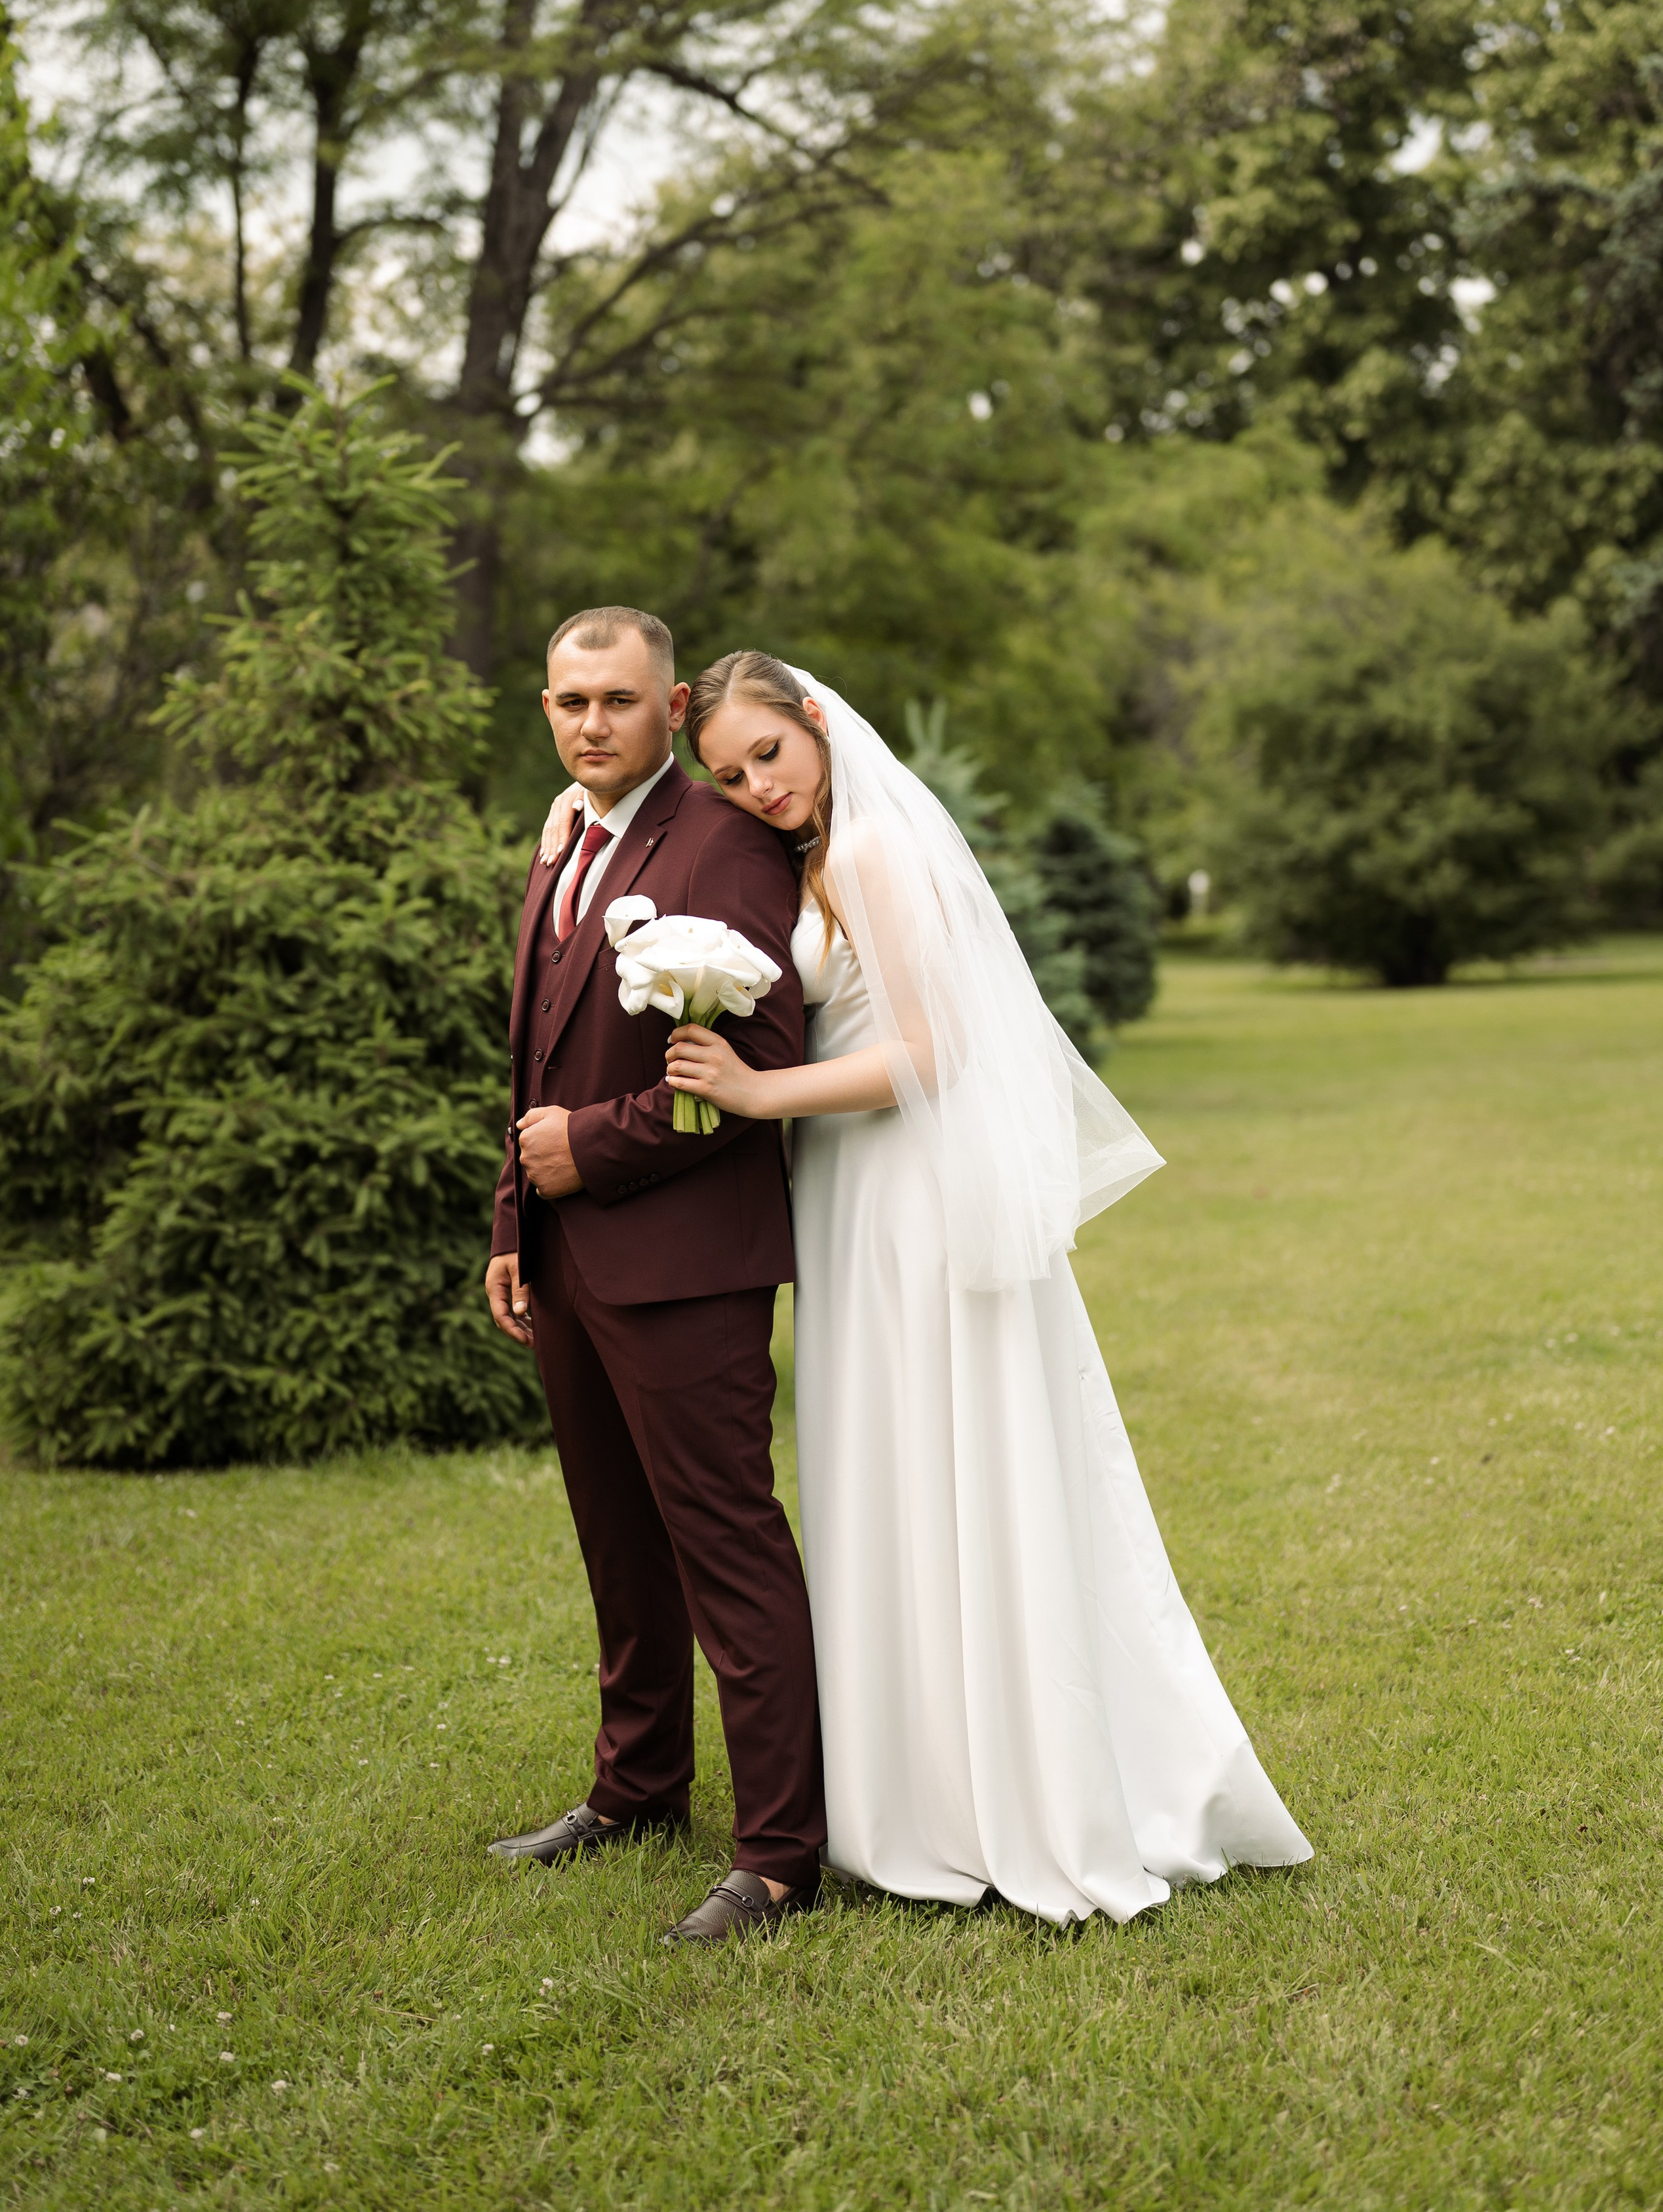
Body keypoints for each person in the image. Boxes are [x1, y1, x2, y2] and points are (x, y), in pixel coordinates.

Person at [657, 653, 1311, 1924]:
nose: (755, 788)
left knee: (955, 1466)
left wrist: (753, 1092)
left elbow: (932, 1048)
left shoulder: (870, 858)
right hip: (848, 1198)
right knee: (897, 1476)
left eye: (768, 757)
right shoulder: (810, 856)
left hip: (904, 1193)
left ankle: (1000, 1789)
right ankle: (924, 1778)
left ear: (816, 725)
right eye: (730, 776)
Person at [482, 609, 827, 1947]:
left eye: (616, 701)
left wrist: (594, 1152)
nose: (589, 725)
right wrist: (518, 1216)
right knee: (617, 1543)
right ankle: (635, 1789)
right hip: (567, 1254)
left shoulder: (726, 844)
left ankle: (780, 1852)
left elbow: (756, 1080)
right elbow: (537, 1058)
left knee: (725, 1548)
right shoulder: (563, 837)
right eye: (569, 701)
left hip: (687, 1264)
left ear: (668, 704)